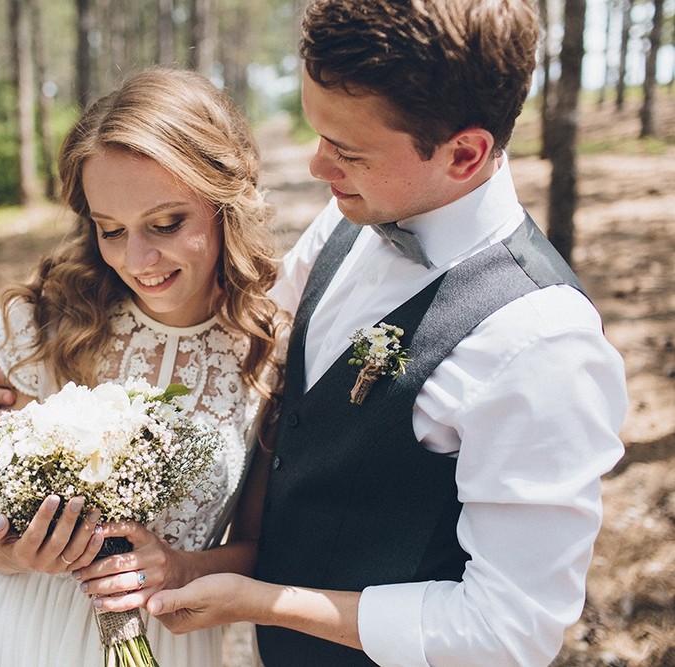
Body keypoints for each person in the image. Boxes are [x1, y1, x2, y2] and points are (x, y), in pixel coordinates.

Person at [134, 1, 630, 665]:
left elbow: (508, 632)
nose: (317, 167)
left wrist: (261, 599)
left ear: (465, 153)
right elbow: (237, 328)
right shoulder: (355, 213)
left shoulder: (542, 345)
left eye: (346, 151)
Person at [0, 67, 286, 667]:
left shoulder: (269, 351)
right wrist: (21, 551)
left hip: (167, 640)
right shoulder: (52, 322)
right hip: (28, 633)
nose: (137, 259)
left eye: (166, 224)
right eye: (111, 230)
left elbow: (260, 546)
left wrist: (182, 566)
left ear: (224, 203)